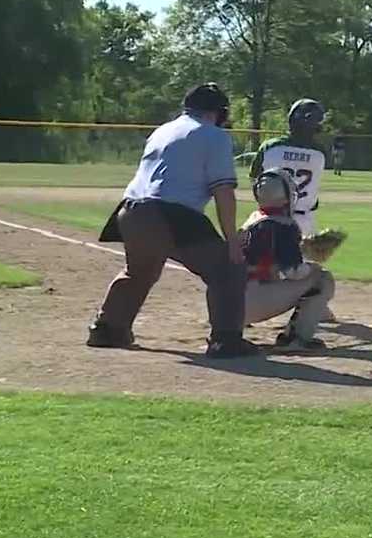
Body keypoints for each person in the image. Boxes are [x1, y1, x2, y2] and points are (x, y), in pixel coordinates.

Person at [89, 83, 255, 358]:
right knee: (228, 268)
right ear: (219, 112)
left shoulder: (162, 130)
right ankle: (225, 340)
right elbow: (223, 191)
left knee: (139, 271)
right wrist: (232, 240)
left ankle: (107, 328)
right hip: (170, 213)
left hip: (130, 210)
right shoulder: (214, 136)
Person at [242, 168, 336, 352]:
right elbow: (294, 272)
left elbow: (264, 254)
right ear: (284, 196)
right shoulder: (283, 224)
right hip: (251, 302)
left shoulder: (252, 219)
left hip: (224, 305)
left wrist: (300, 248)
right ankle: (296, 338)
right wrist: (313, 267)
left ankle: (229, 331)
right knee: (322, 279)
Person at [249, 98, 327, 236]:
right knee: (305, 257)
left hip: (270, 217)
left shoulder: (271, 147)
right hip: (305, 221)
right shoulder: (319, 153)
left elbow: (255, 180)